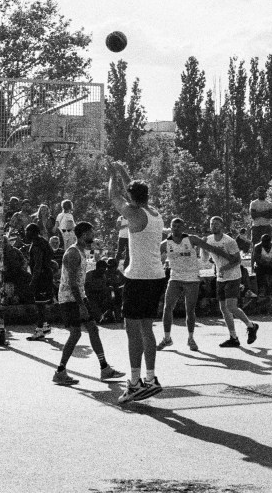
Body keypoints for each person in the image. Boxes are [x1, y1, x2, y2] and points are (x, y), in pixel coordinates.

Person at [107, 163, 170, 404]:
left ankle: (134, 383)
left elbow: (114, 196)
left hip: (138, 278)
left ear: (132, 198)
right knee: (147, 329)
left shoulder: (133, 214)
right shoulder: (154, 213)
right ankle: (150, 378)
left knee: (132, 331)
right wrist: (123, 172)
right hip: (156, 276)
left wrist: (112, 175)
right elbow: (131, 190)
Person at [51, 220, 124, 387]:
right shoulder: (73, 253)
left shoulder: (81, 252)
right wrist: (81, 305)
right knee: (75, 334)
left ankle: (104, 368)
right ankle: (60, 371)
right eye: (91, 233)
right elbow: (71, 282)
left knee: (93, 329)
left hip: (78, 297)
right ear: (84, 235)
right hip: (70, 299)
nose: (93, 235)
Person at [203, 215, 260, 349]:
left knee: (231, 307)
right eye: (212, 224)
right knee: (223, 308)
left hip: (233, 276)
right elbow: (204, 260)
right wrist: (203, 247)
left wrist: (224, 268)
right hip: (220, 277)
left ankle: (251, 326)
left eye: (217, 224)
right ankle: (233, 337)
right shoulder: (209, 239)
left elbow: (237, 260)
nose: (214, 226)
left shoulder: (229, 241)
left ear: (222, 226)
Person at [158, 217, 209, 352]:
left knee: (190, 310)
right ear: (170, 228)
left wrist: (227, 258)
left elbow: (209, 249)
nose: (176, 229)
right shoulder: (165, 244)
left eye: (179, 226)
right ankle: (167, 338)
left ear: (183, 228)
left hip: (192, 278)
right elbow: (155, 259)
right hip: (175, 278)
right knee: (167, 307)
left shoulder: (191, 239)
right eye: (174, 226)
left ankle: (191, 338)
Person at [23, 223, 55, 340]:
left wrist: (33, 281)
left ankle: (39, 330)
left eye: (27, 231)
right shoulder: (43, 242)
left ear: (33, 232)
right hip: (46, 275)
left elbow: (38, 264)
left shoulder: (37, 245)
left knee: (40, 304)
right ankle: (45, 326)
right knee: (43, 302)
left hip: (41, 277)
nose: (26, 233)